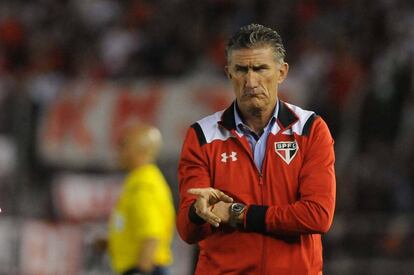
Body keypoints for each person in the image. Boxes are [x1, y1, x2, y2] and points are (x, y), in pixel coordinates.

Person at [177, 23, 336, 275]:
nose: (250, 81)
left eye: (260, 68)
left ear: (282, 72)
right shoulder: (202, 135)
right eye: (241, 70)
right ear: (229, 73)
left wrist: (238, 214)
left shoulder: (310, 129)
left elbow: (317, 215)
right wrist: (198, 213)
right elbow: (187, 230)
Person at [108, 124, 175, 275]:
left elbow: (151, 235)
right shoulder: (138, 180)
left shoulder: (144, 185)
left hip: (145, 269)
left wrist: (143, 270)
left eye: (125, 146)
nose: (119, 152)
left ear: (141, 150)